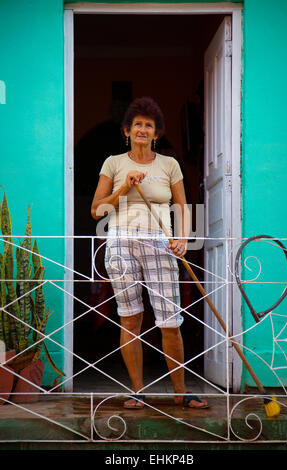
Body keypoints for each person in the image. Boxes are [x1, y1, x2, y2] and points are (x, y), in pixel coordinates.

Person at [91, 97, 208, 409]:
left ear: (157, 133)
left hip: (159, 241)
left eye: (149, 125)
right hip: (120, 243)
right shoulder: (113, 163)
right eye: (137, 124)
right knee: (131, 319)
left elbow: (182, 207)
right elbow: (96, 210)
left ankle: (182, 391)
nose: (143, 129)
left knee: (170, 320)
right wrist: (123, 188)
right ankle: (138, 390)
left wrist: (182, 240)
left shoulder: (169, 164)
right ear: (127, 130)